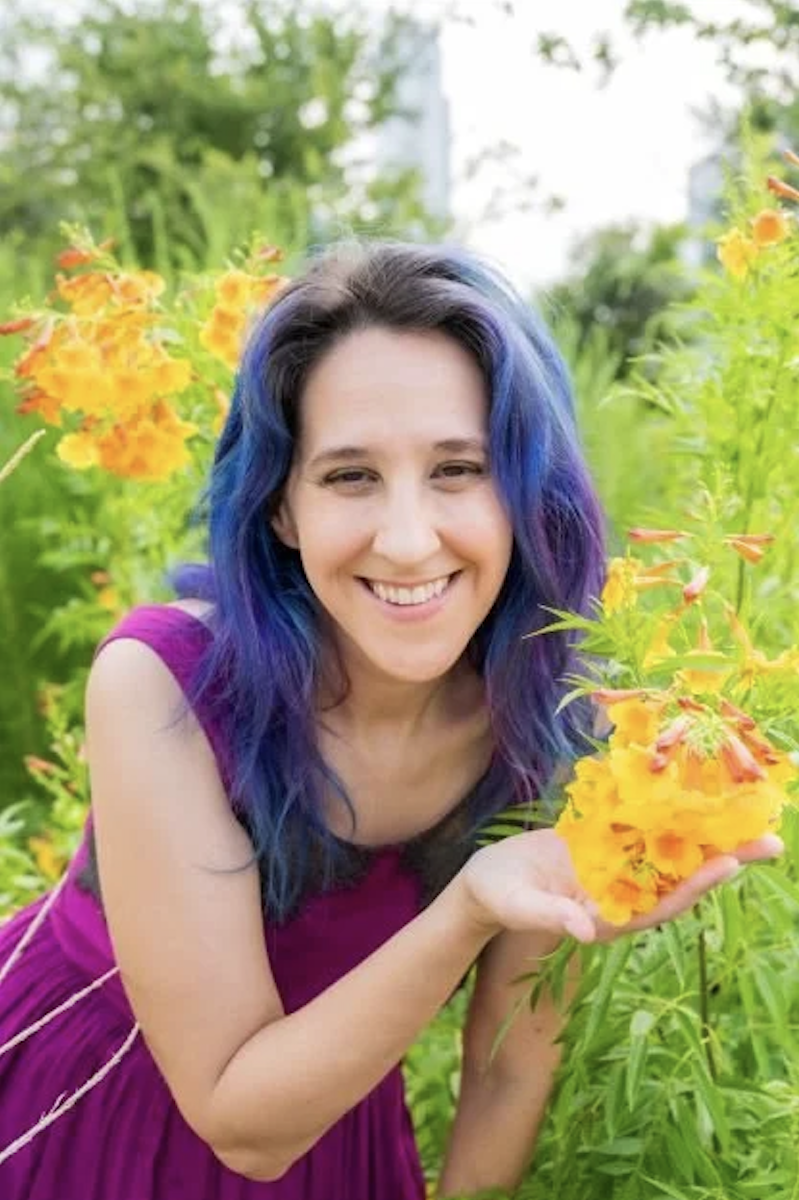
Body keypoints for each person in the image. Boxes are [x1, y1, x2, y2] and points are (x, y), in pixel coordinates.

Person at [0, 241, 781, 1200]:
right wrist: (471, 905)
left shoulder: (559, 725)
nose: (408, 542)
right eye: (349, 477)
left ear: (527, 492)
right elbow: (239, 1121)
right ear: (281, 505)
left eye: (458, 468)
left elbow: (508, 1066)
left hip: (335, 1124)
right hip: (86, 1113)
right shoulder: (163, 681)